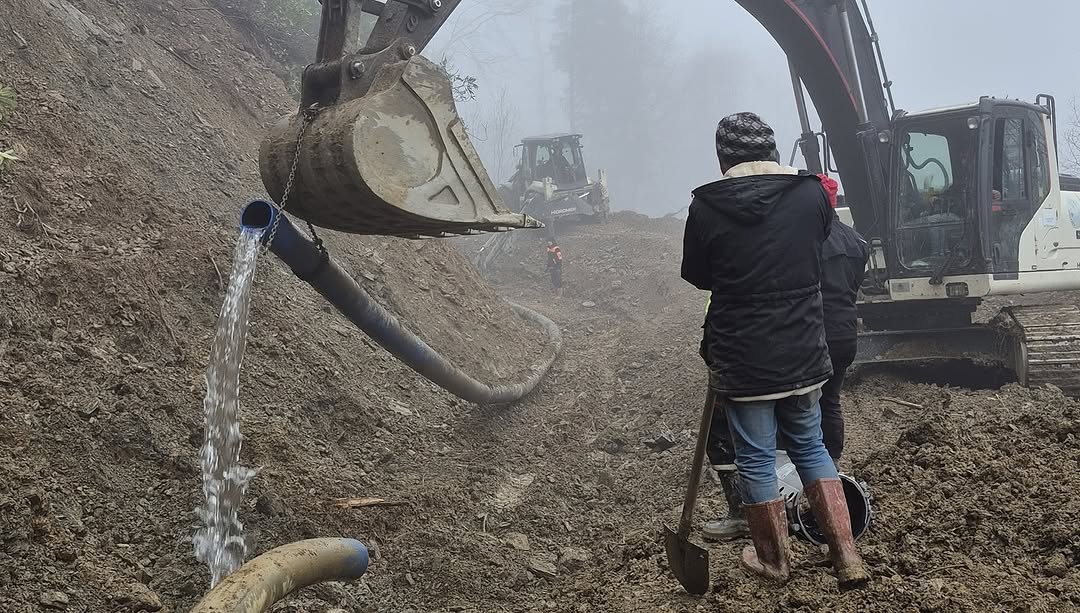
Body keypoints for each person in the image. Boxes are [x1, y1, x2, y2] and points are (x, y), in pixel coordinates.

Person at [681, 112, 869, 588]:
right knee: (810, 443)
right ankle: (846, 554)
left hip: (745, 356)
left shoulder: (706, 205)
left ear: (724, 156)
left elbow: (699, 274)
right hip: (805, 346)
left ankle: (774, 560)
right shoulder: (810, 195)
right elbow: (817, 247)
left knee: (757, 456)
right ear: (771, 151)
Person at [816, 173, 869, 469]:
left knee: (804, 403)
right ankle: (833, 463)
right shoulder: (856, 240)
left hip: (816, 332)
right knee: (831, 399)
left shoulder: (809, 241)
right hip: (846, 332)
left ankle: (810, 466)